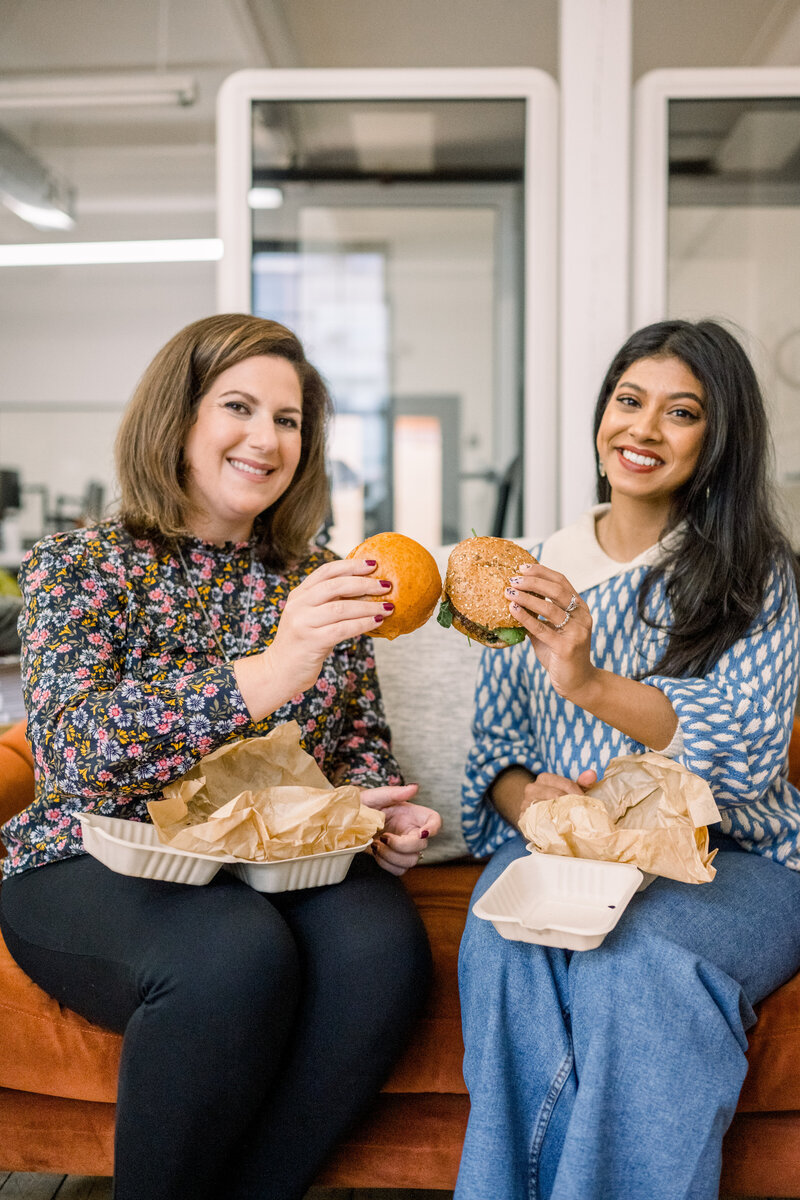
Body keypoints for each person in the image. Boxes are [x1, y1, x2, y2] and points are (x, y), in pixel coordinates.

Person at [0, 313, 441, 1200]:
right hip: (91, 849)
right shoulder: (78, 564)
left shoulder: (320, 576)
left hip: (273, 855)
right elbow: (76, 750)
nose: (266, 438)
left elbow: (354, 740)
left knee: (384, 955)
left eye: (288, 420)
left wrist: (375, 809)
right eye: (238, 406)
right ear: (180, 417)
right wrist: (274, 668)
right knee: (233, 958)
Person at [455, 319, 800, 1200]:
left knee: (636, 964)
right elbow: (496, 751)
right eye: (628, 400)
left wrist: (588, 681)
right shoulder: (531, 570)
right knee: (504, 937)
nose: (643, 430)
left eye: (680, 412)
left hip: (738, 861)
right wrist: (535, 797)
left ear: (718, 439)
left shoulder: (757, 574)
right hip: (569, 856)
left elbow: (751, 754)